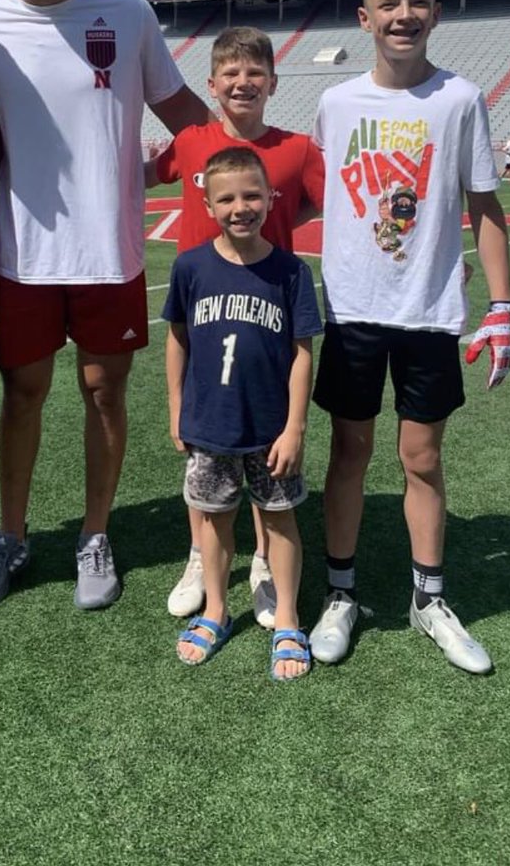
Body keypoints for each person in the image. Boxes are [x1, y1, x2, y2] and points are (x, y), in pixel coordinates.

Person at [0, 0, 210, 610]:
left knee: (105, 396)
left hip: (109, 250)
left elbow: (183, 115)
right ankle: (11, 537)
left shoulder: (128, 12)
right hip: (22, 254)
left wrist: (261, 162)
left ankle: (94, 535)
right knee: (23, 397)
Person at [309, 0, 510, 675]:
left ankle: (427, 598)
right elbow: (316, 199)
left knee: (421, 457)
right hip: (352, 308)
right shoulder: (335, 104)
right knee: (349, 451)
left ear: (435, 13)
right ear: (364, 19)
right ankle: (340, 592)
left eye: (417, 2)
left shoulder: (459, 99)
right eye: (388, 4)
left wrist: (501, 306)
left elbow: (483, 206)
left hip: (428, 312)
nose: (403, 14)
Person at [146, 26, 324, 627]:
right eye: (231, 73)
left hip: (265, 315)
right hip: (202, 310)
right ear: (213, 83)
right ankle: (201, 554)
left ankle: (265, 561)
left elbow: (321, 202)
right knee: (205, 443)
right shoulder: (191, 140)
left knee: (261, 438)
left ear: (272, 81)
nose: (243, 83)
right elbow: (145, 175)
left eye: (254, 73)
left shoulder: (298, 148)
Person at [163, 146, 321, 677]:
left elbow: (302, 351)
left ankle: (288, 620)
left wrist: (295, 425)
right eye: (226, 197)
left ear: (272, 198)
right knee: (213, 522)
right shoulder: (190, 267)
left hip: (270, 428)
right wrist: (176, 405)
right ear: (206, 204)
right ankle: (215, 608)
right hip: (211, 424)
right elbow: (178, 340)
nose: (240, 207)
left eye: (252, 194)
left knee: (279, 522)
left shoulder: (289, 272)